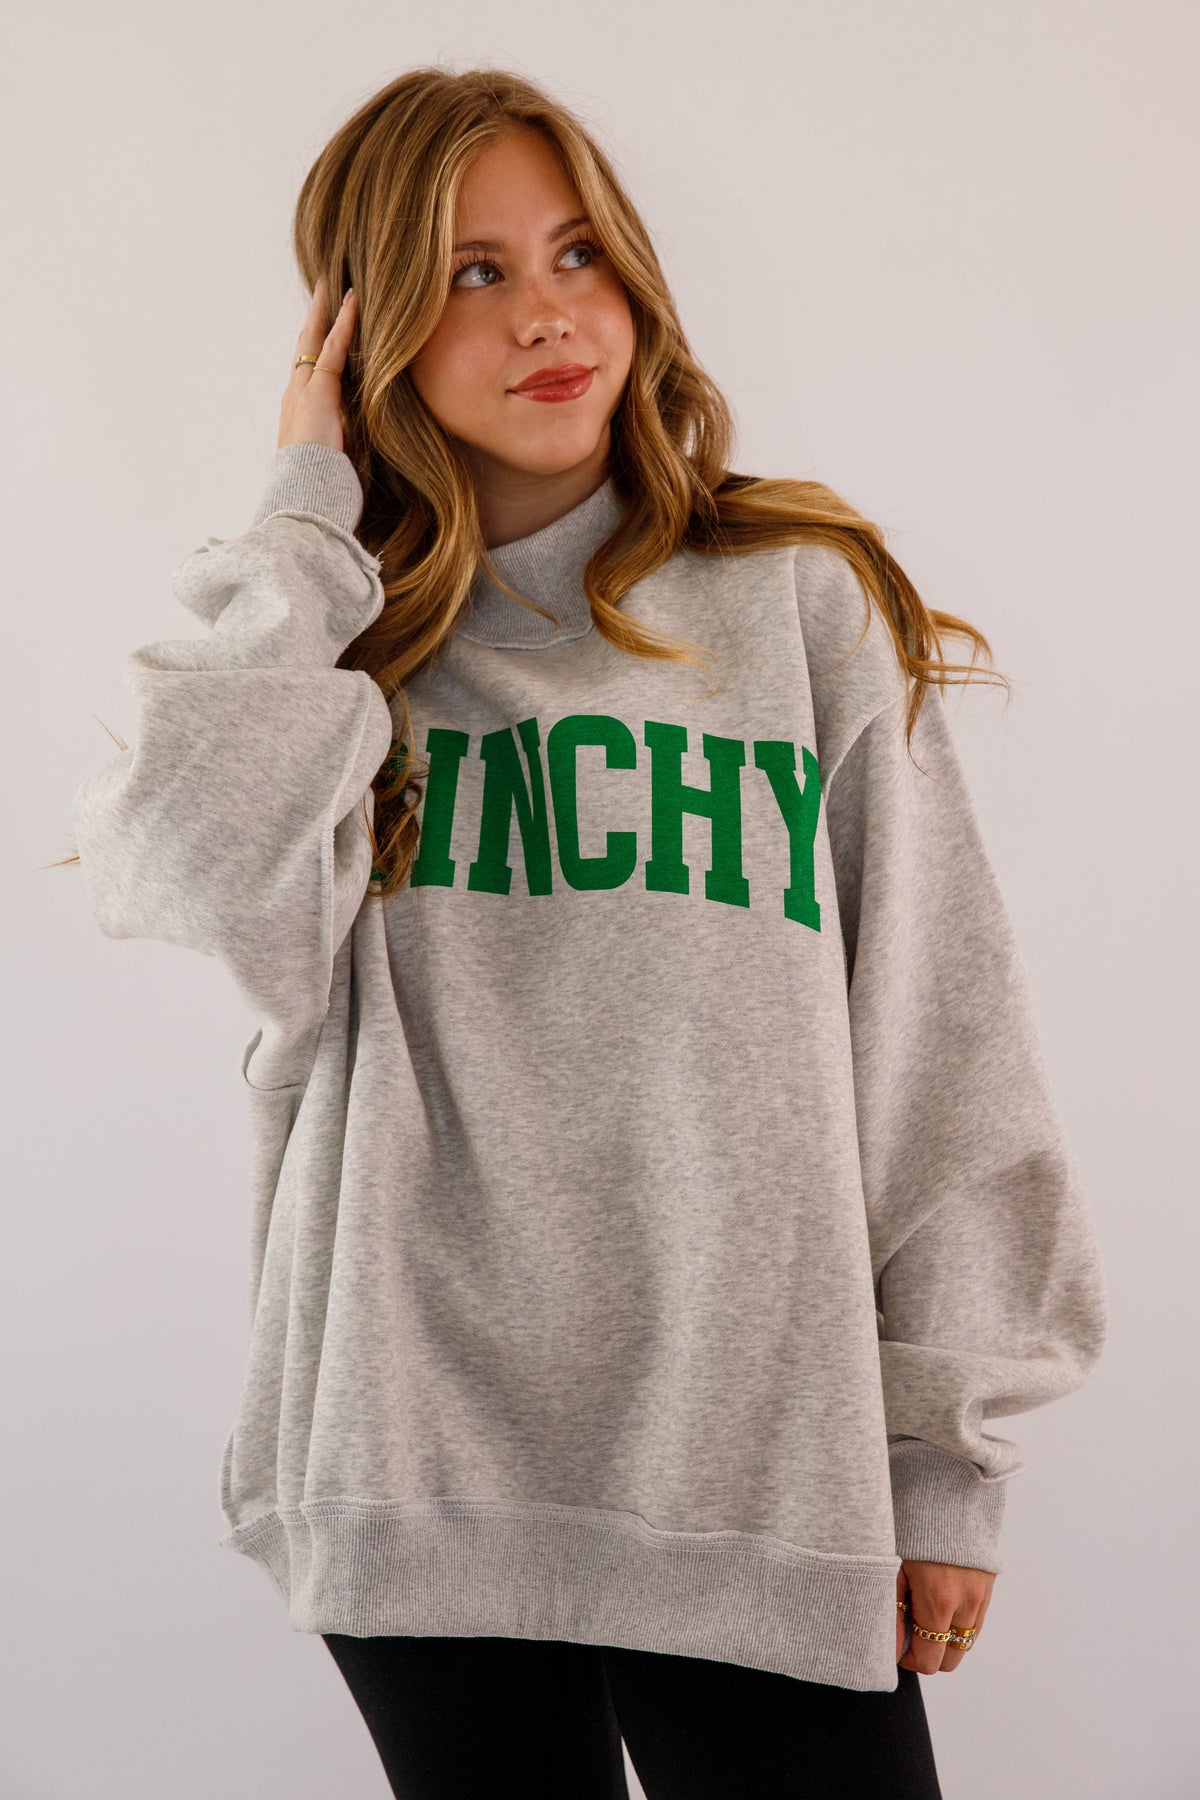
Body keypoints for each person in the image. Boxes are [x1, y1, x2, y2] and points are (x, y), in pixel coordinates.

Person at [67, 66, 1108, 1800]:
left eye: (577, 254)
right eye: (470, 273)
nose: (548, 315)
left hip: (754, 1476)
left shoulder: (792, 603)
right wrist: (304, 519)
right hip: (416, 1463)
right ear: (363, 331)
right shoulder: (333, 658)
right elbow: (171, 866)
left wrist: (947, 1461)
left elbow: (941, 1035)